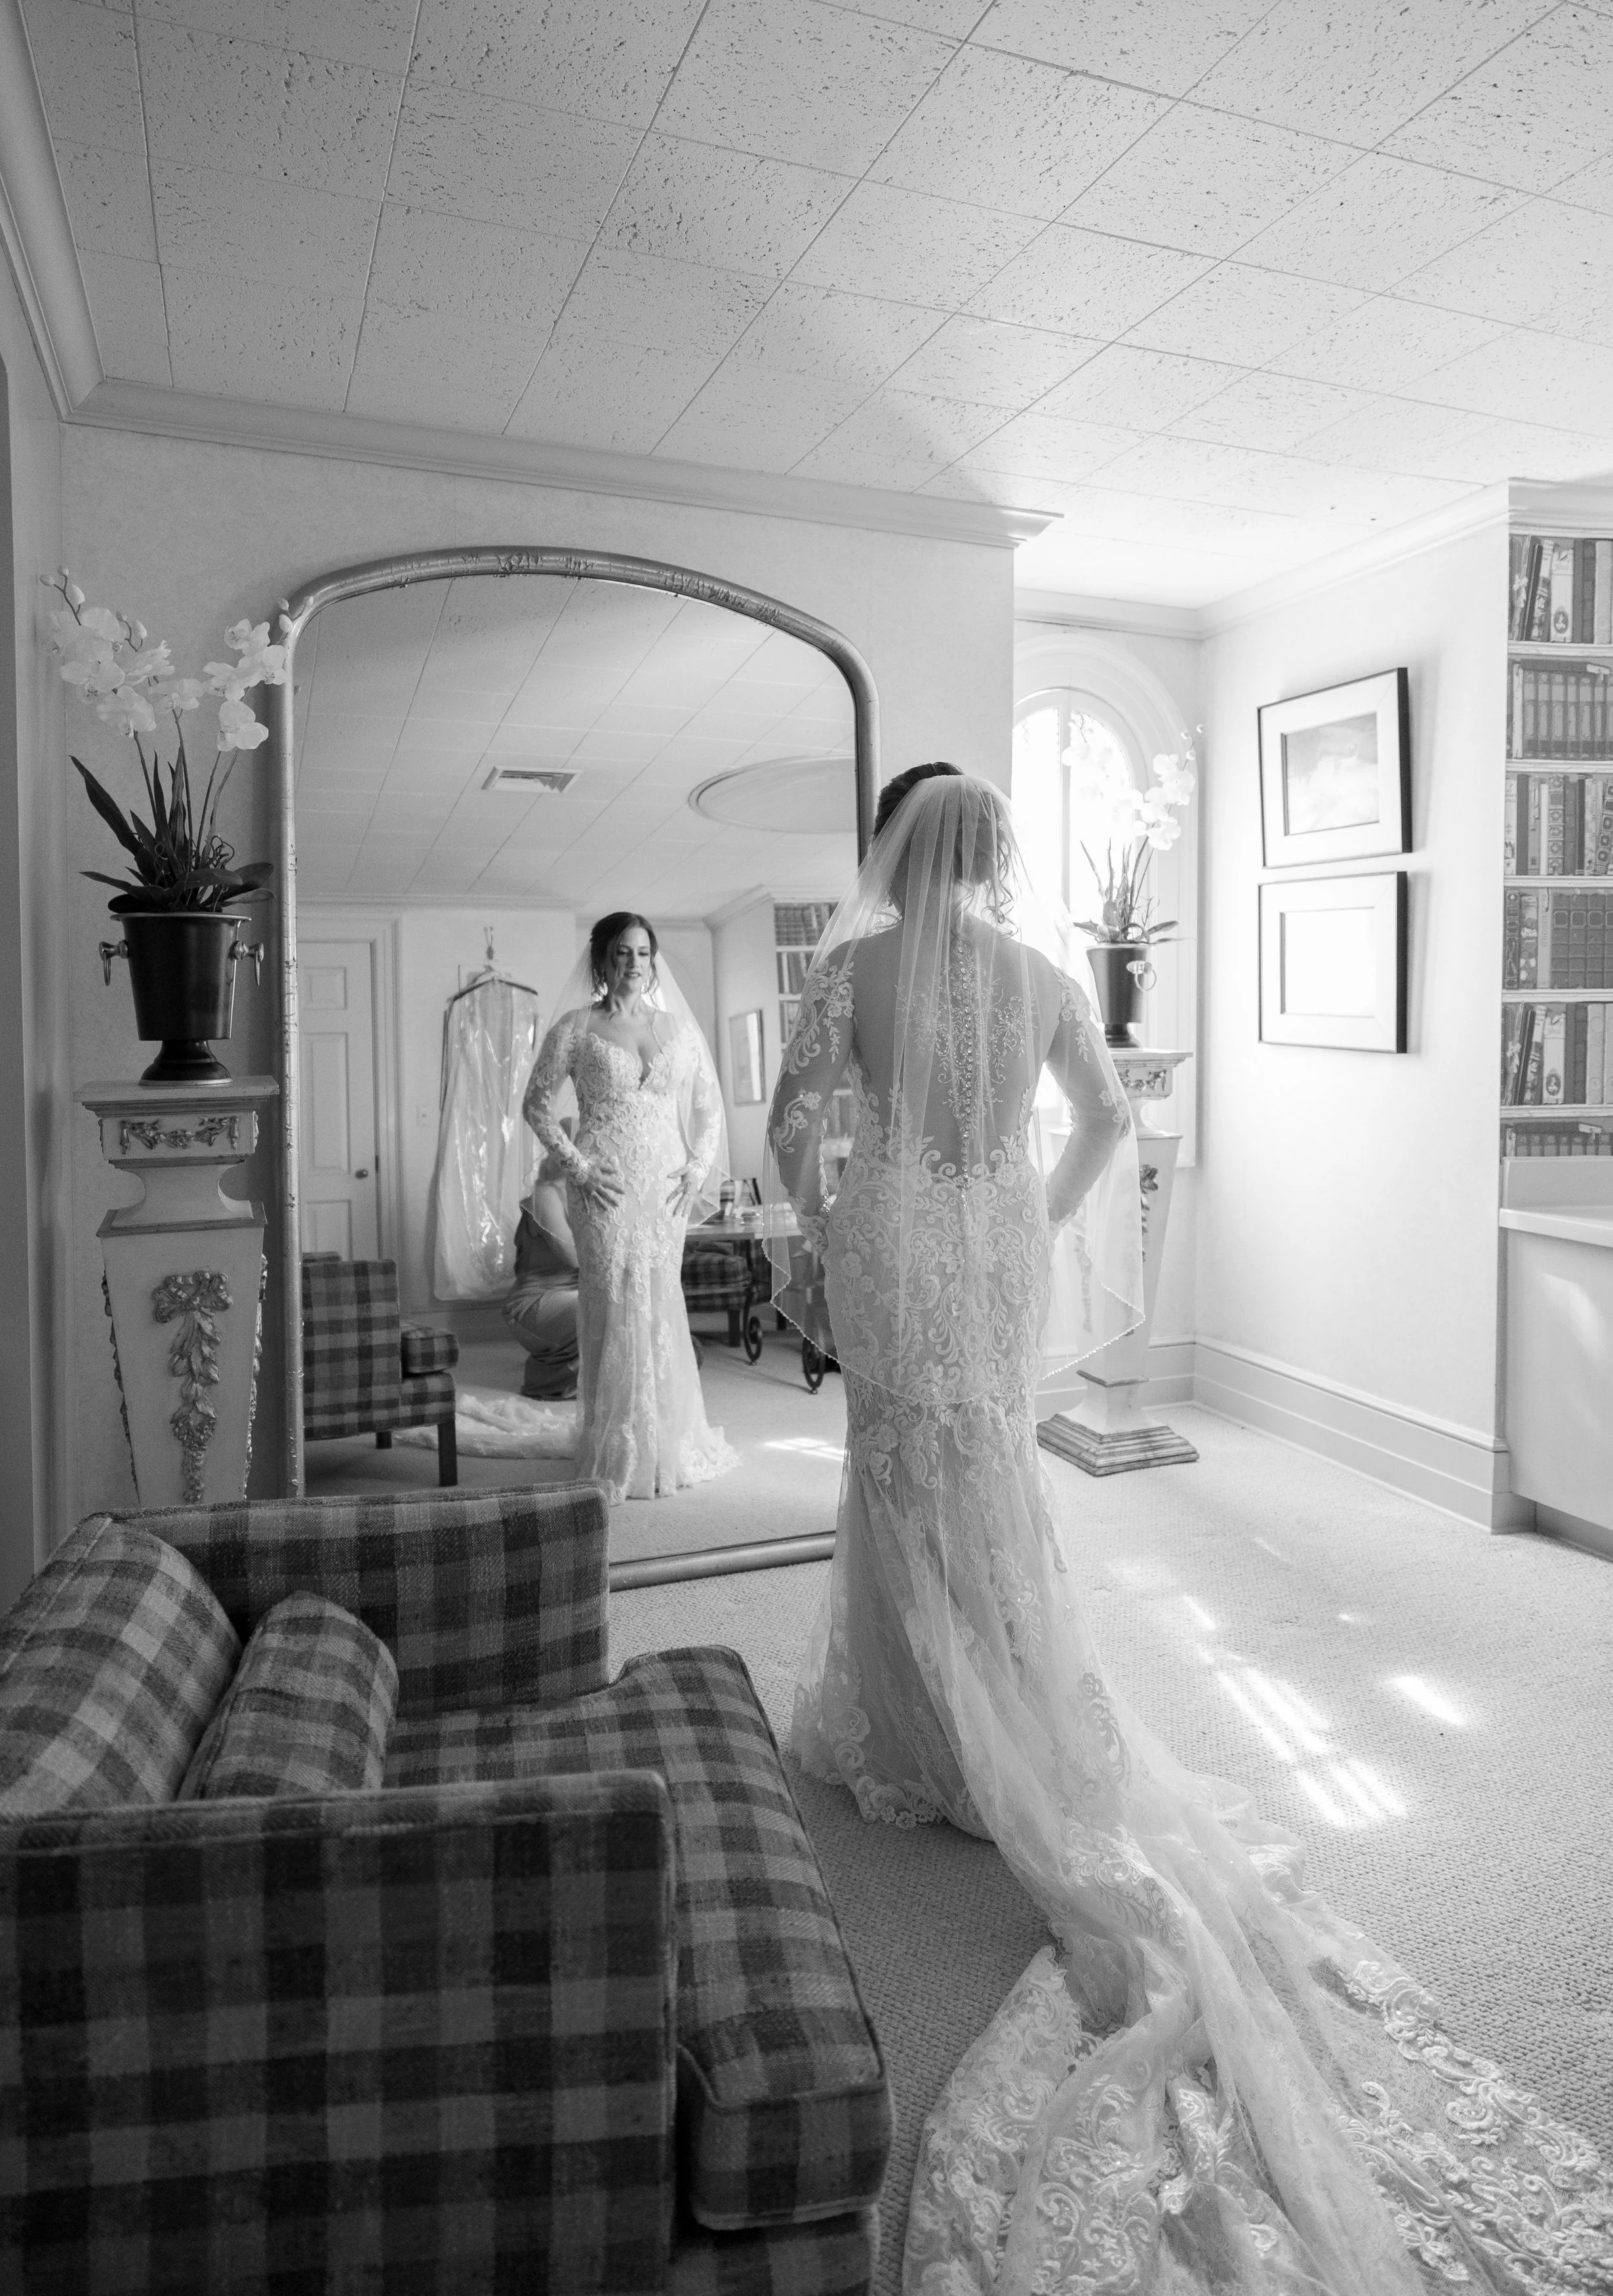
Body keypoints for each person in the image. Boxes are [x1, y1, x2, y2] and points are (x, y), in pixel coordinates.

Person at [765, 765, 1612, 2294]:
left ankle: (917, 1730)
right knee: (989, 1467)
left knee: (894, 1468)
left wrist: (823, 1223)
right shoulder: (1037, 972)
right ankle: (1003, 1716)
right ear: (997, 851)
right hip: (996, 1228)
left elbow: (787, 1126)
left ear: (891, 847)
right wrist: (1032, 1197)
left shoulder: (849, 969)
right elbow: (1103, 1112)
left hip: (892, 1235)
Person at [524, 911, 735, 1500]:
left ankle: (667, 1440)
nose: (634, 965)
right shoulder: (577, 1027)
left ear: (653, 959)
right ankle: (615, 1444)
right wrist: (580, 1168)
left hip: (665, 1190)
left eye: (643, 953)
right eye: (622, 953)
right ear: (602, 960)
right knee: (614, 1302)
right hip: (603, 1187)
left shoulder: (678, 1029)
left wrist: (697, 1167)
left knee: (661, 1299)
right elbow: (537, 1105)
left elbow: (708, 1109)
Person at [502, 1143, 579, 1400]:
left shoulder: (587, 1194)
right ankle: (557, 1380)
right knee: (606, 1308)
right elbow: (574, 1259)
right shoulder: (547, 1193)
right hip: (536, 1301)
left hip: (576, 1295)